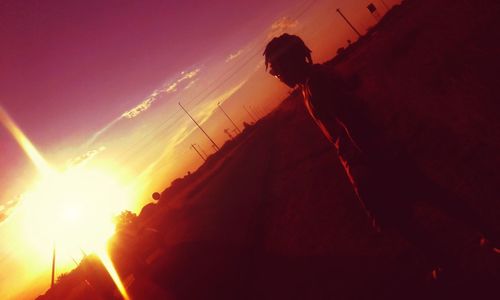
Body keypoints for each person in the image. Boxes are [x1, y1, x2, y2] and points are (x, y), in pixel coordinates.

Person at [263, 33, 499, 273]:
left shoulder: (316, 84)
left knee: (410, 214)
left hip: (373, 159)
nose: (278, 77)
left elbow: (353, 122)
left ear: (291, 62)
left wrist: (373, 165)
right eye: (274, 73)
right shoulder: (311, 83)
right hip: (374, 156)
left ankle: (458, 254)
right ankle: (468, 244)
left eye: (277, 71)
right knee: (424, 201)